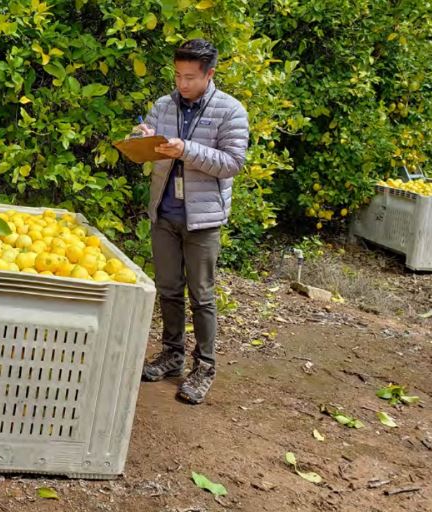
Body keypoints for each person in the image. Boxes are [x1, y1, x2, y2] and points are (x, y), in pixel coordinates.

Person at [134, 39, 249, 404]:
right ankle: (172, 354)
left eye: (190, 77)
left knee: (201, 296)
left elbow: (232, 163)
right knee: (168, 289)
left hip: (203, 220)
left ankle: (205, 366)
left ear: (209, 74)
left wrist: (186, 149)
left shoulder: (230, 111)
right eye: (177, 75)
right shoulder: (163, 106)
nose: (182, 84)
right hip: (164, 212)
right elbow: (149, 141)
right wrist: (142, 139)